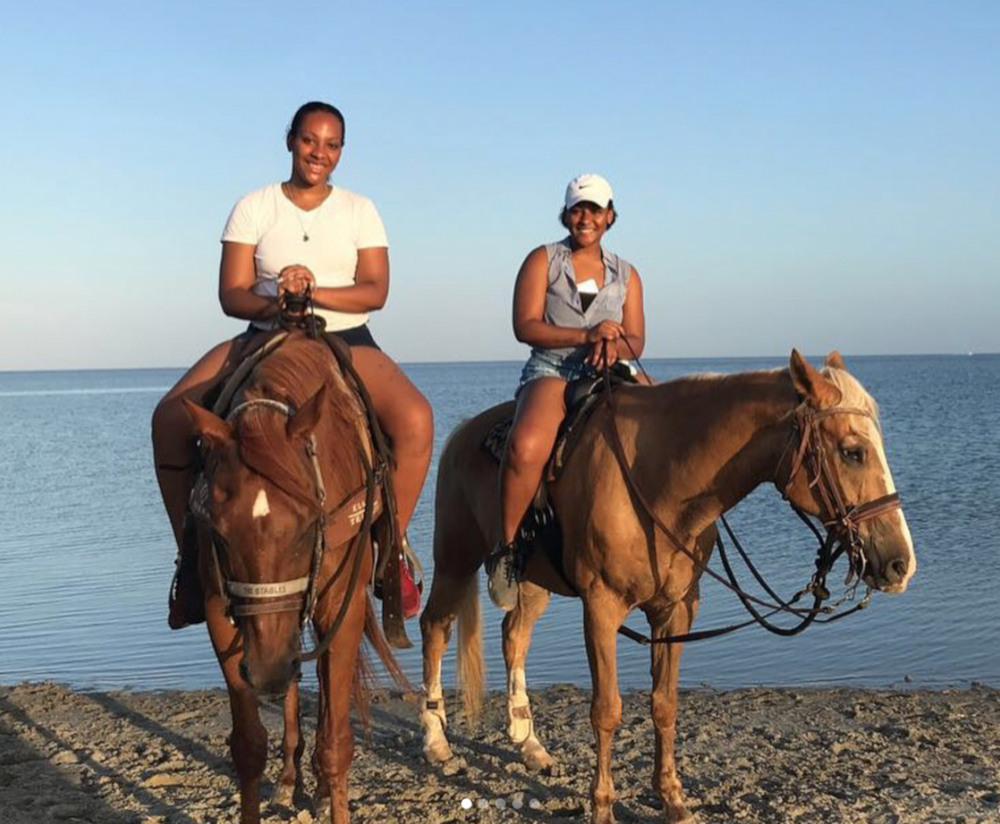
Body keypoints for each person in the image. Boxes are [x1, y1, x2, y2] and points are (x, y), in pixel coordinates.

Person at [152, 101, 434, 629]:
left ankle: (389, 552)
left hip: (343, 335)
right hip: (265, 330)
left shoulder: (359, 209)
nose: (318, 154)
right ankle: (190, 559)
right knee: (168, 419)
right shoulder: (254, 206)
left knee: (416, 420)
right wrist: (277, 301)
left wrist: (314, 291)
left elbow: (377, 289)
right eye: (309, 140)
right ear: (290, 140)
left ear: (342, 151)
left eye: (331, 145)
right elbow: (231, 293)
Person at [487, 174, 647, 610]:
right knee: (525, 446)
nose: (586, 218)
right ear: (566, 214)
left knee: (669, 426)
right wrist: (585, 334)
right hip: (553, 368)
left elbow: (638, 339)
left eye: (594, 210)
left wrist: (613, 342)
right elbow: (526, 326)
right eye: (578, 209)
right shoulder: (543, 260)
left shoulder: (627, 273)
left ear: (609, 216)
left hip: (611, 369)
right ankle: (506, 550)